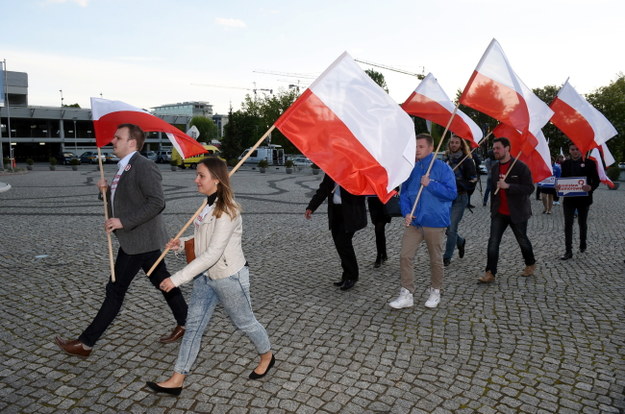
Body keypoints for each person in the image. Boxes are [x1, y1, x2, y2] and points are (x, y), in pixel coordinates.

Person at [55, 124, 188, 357]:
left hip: (138, 241)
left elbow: (157, 202)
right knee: (163, 281)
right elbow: (123, 200)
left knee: (115, 290)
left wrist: (123, 222)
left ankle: (86, 343)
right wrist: (104, 192)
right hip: (140, 241)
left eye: (118, 137)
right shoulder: (123, 167)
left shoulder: (144, 166)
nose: (113, 141)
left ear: (132, 143)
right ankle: (187, 322)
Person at [147, 157, 274, 396]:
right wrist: (181, 243)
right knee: (193, 326)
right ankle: (177, 379)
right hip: (205, 276)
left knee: (244, 322)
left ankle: (267, 355)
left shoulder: (227, 210)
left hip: (228, 277)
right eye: (196, 174)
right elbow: (204, 239)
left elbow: (215, 252)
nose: (196, 180)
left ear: (216, 180)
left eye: (201, 175)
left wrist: (176, 278)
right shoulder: (207, 205)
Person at [389, 133, 456, 309]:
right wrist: (406, 212)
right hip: (415, 222)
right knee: (405, 255)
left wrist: (431, 184)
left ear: (431, 148)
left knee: (435, 259)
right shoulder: (412, 169)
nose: (417, 150)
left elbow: (451, 193)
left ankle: (435, 291)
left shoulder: (442, 168)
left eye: (421, 146)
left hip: (435, 221)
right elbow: (403, 194)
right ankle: (407, 293)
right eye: (416, 147)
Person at [478, 137, 537, 284]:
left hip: (517, 212)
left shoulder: (520, 167)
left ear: (507, 148)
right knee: (493, 242)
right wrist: (493, 209)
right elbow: (493, 190)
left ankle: (530, 263)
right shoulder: (495, 167)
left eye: (498, 148)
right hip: (499, 213)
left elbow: (529, 188)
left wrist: (509, 186)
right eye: (494, 148)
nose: (495, 151)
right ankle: (490, 272)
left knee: (522, 240)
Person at [305, 173, 367, 291]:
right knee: (339, 244)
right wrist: (311, 207)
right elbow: (323, 190)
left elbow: (362, 192)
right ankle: (347, 274)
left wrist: (348, 181)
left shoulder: (356, 173)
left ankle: (352, 276)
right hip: (336, 212)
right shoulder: (332, 171)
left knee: (344, 243)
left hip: (350, 213)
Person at [557, 143, 600, 260]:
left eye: (577, 149)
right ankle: (568, 251)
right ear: (569, 151)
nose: (575, 151)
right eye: (572, 149)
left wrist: (590, 187)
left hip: (584, 199)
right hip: (569, 199)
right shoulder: (565, 164)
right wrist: (559, 186)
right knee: (568, 224)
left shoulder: (589, 163)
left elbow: (596, 180)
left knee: (582, 223)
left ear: (581, 150)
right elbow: (563, 179)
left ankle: (582, 243)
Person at [443, 135, 477, 266]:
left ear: (461, 145)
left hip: (460, 197)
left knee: (451, 228)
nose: (454, 145)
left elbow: (473, 181)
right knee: (445, 228)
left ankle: (447, 257)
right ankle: (460, 241)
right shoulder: (445, 159)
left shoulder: (467, 161)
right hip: (446, 198)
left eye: (456, 143)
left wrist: (459, 185)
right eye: (452, 142)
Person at [367, 196, 391, 268]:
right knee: (380, 230)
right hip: (373, 202)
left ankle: (379, 256)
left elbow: (395, 188)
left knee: (378, 229)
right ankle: (383, 253)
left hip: (384, 202)